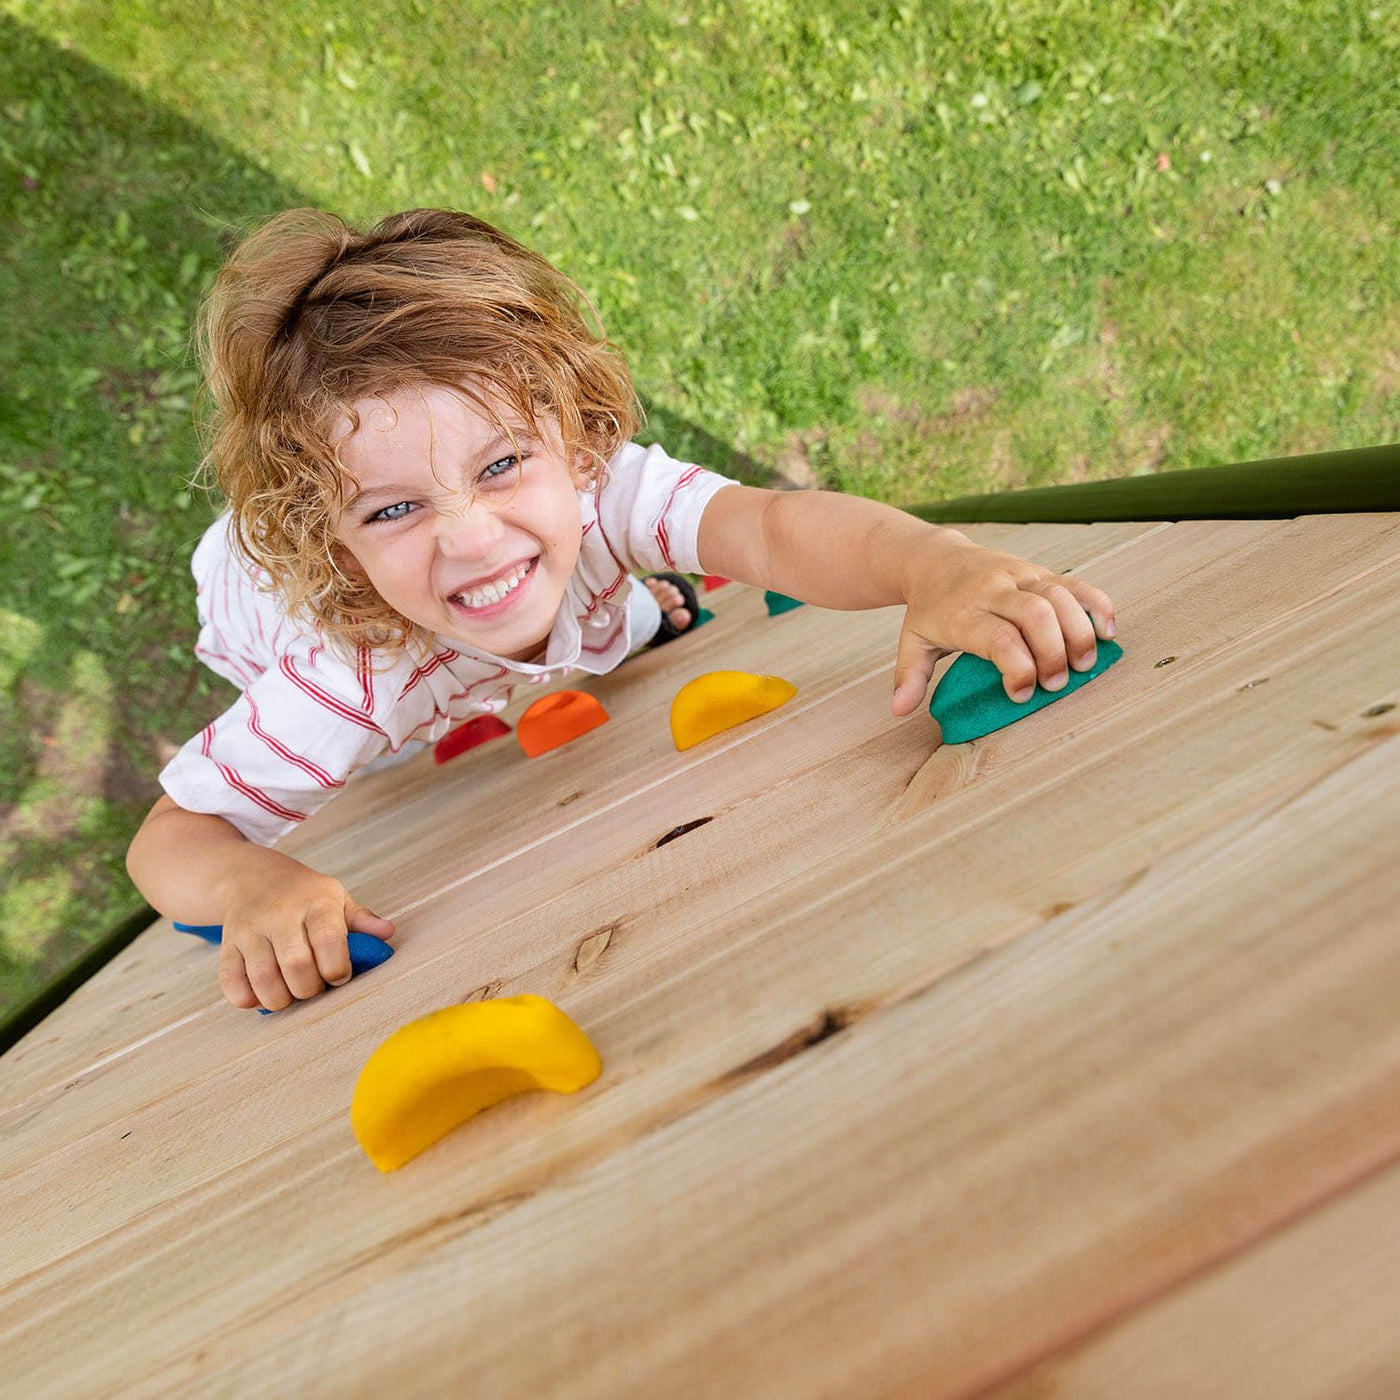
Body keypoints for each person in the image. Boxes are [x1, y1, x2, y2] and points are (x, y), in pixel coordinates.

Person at [126, 207, 1118, 1013]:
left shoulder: (604, 491)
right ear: (337, 545)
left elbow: (771, 530)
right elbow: (170, 838)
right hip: (278, 612)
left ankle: (626, 615)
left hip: (505, 610)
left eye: (503, 462)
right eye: (393, 508)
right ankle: (537, 614)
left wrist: (934, 566)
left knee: (592, 622)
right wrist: (252, 884)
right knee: (381, 761)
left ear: (573, 429)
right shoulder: (345, 677)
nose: (470, 535)